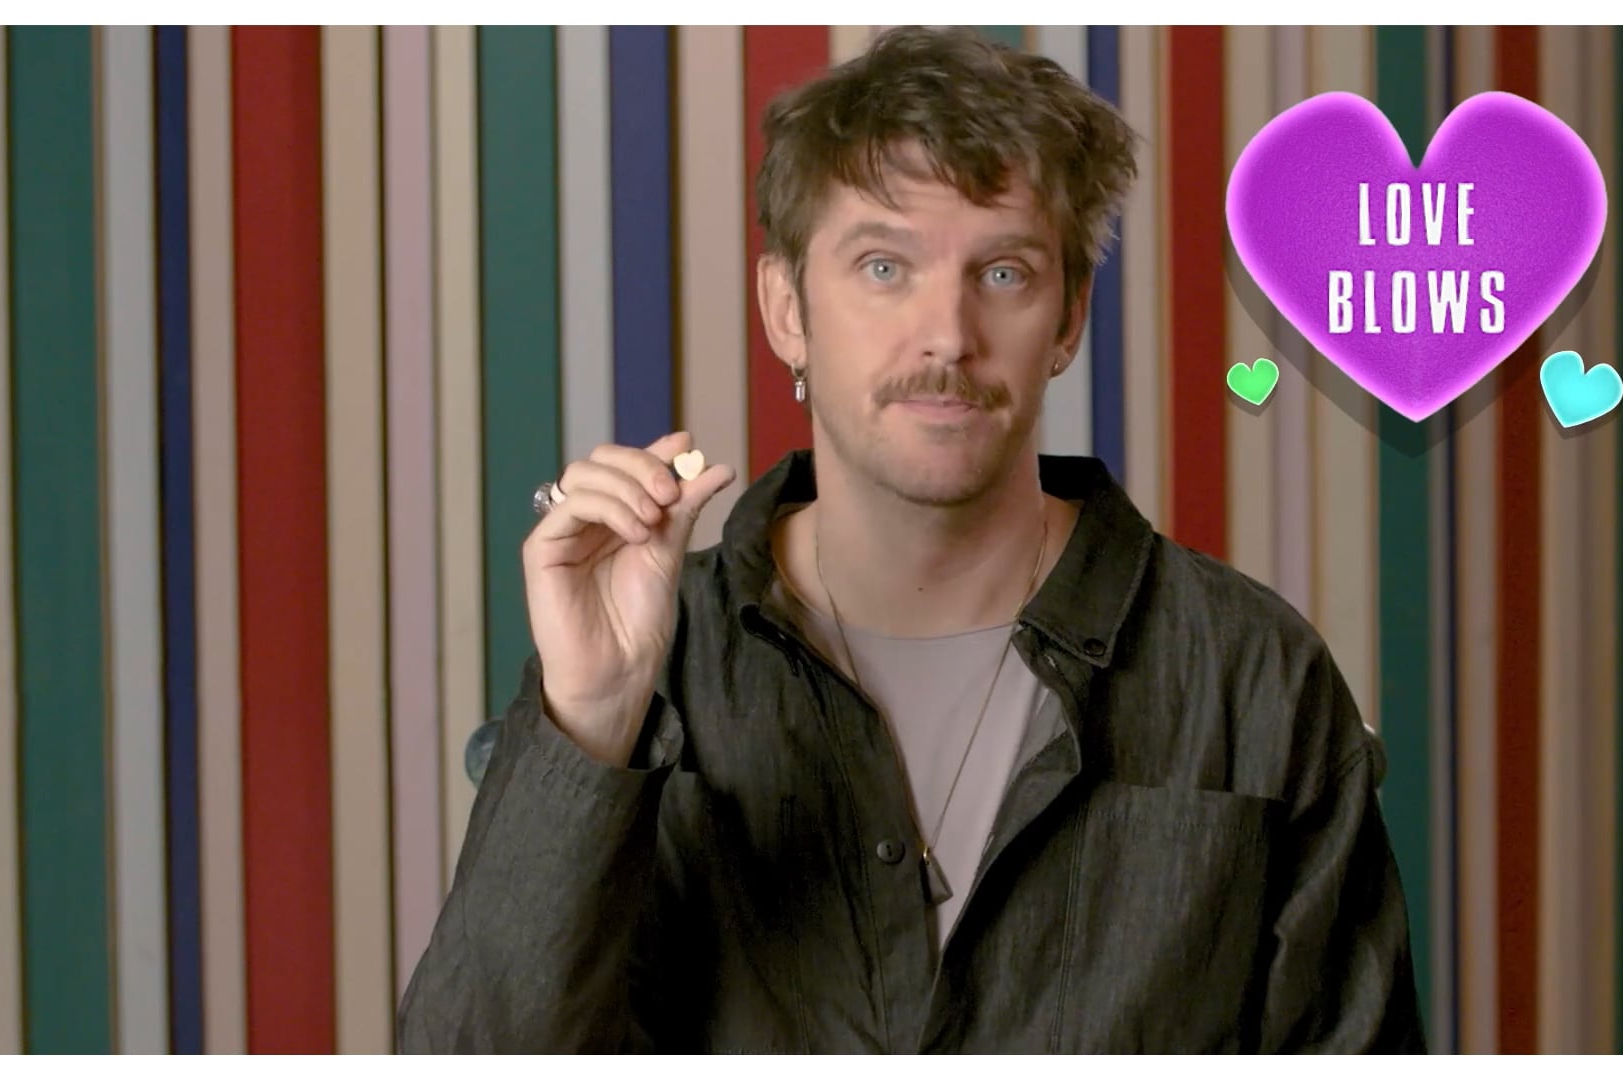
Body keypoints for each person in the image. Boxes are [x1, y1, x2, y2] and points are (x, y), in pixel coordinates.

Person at [397, 26, 1426, 1053]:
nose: (947, 334)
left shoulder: (1254, 677)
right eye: (884, 266)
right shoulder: (654, 660)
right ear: (786, 308)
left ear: (1069, 318)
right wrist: (590, 723)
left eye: (1005, 273)